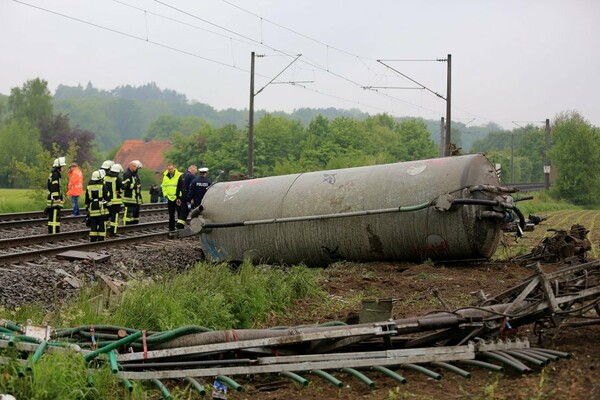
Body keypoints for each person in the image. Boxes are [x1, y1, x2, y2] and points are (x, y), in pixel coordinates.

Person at [85, 170, 109, 242]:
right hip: (101, 208)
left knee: (93, 225)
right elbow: (107, 197)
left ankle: (93, 239)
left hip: (92, 207)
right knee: (101, 224)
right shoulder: (103, 186)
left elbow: (87, 199)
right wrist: (105, 204)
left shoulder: (89, 186)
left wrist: (87, 207)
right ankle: (101, 240)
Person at [46, 156, 66, 234]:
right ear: (59, 166)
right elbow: (55, 187)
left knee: (52, 218)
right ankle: (54, 234)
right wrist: (57, 198)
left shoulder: (53, 173)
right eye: (63, 166)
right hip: (54, 200)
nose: (63, 168)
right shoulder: (56, 175)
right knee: (55, 218)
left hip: (52, 198)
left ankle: (52, 232)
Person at [161, 163, 183, 231]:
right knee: (171, 214)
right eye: (169, 169)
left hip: (178, 198)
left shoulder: (179, 175)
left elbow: (182, 186)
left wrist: (179, 196)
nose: (170, 170)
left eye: (171, 169)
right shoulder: (165, 176)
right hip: (170, 198)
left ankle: (180, 227)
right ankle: (171, 228)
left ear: (174, 168)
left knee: (180, 213)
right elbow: (163, 186)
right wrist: (165, 194)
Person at [104, 163, 123, 237]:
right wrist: (119, 192)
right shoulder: (117, 179)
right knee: (114, 218)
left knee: (105, 217)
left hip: (106, 200)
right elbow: (122, 187)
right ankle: (113, 233)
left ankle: (103, 231)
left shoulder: (105, 177)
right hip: (115, 202)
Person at [121, 160, 143, 225]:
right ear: (132, 167)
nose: (137, 169)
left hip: (135, 198)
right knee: (128, 213)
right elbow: (126, 185)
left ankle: (134, 225)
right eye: (136, 167)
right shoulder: (127, 174)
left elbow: (138, 182)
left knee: (135, 213)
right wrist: (136, 186)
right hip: (129, 198)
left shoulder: (135, 174)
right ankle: (126, 225)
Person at [176, 164, 197, 229]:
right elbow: (192, 188)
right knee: (195, 211)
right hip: (189, 196)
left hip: (183, 196)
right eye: (195, 172)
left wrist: (178, 197)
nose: (195, 173)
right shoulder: (192, 176)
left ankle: (180, 225)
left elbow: (178, 187)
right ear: (192, 169)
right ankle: (195, 225)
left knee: (183, 211)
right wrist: (192, 198)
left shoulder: (181, 176)